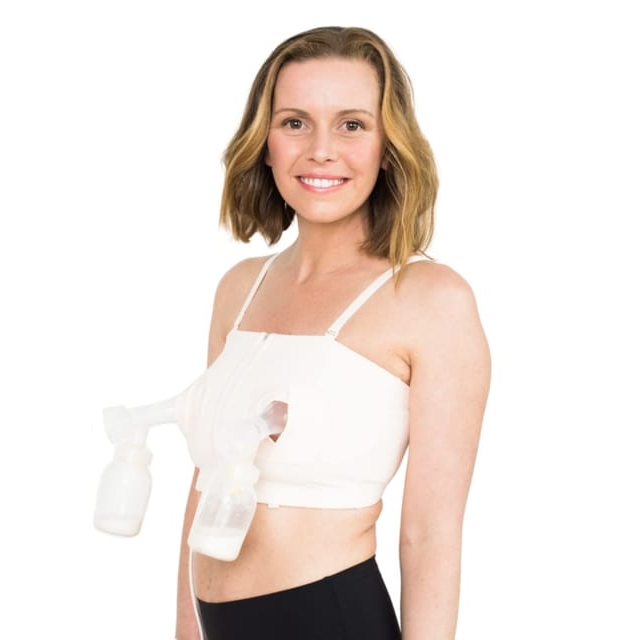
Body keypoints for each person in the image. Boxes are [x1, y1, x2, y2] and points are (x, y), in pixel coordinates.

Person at [175, 25, 490, 640]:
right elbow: (206, 485)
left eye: (351, 125)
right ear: (265, 143)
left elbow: (429, 534)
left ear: (387, 146)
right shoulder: (239, 289)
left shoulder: (431, 300)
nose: (321, 150)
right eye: (295, 122)